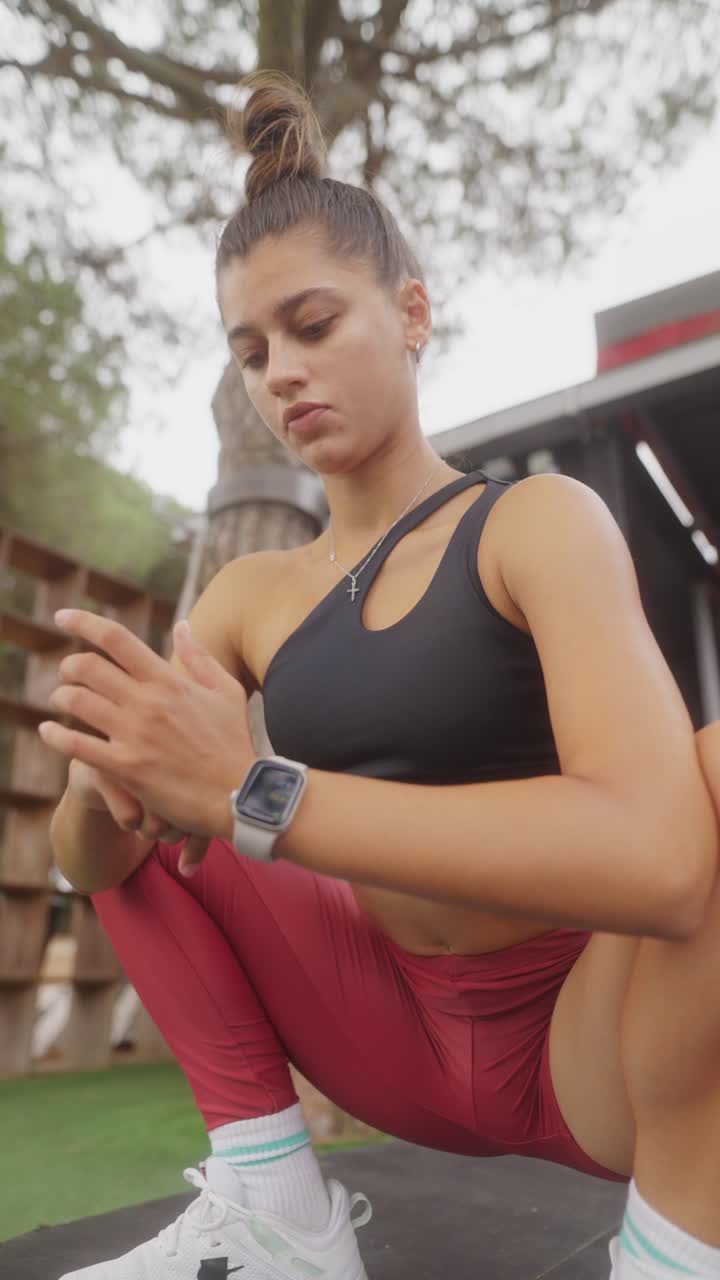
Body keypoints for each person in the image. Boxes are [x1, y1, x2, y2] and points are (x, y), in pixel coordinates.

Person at [45, 70, 720, 1280]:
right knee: (167, 803)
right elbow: (91, 864)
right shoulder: (251, 595)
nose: (280, 374)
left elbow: (665, 864)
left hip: (594, 1047)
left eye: (313, 325)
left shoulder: (536, 523)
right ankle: (274, 1213)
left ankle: (674, 1252)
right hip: (391, 1034)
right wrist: (119, 761)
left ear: (411, 312)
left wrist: (253, 787)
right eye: (250, 351)